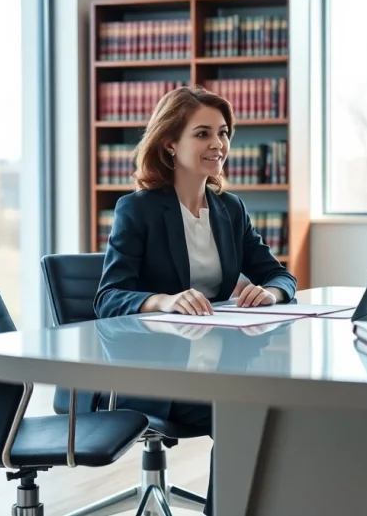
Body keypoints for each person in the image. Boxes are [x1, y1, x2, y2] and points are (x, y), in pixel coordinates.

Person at [93, 85, 297, 516]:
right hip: (153, 374)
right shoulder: (138, 209)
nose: (218, 144)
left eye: (222, 133)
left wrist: (272, 291)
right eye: (202, 134)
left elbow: (280, 273)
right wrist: (163, 301)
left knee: (281, 409)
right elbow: (108, 297)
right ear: (171, 143)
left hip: (216, 361)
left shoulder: (231, 209)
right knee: (245, 410)